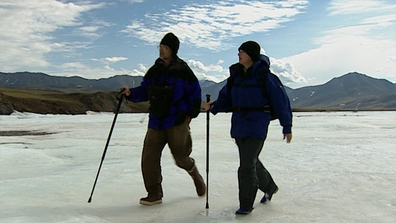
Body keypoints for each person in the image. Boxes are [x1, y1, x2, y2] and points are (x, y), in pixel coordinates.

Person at [204, 41, 292, 215]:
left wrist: (286, 126)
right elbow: (225, 98)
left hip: (257, 124)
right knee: (250, 161)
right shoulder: (236, 76)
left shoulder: (265, 77)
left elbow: (281, 102)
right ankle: (270, 187)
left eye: (242, 52)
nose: (239, 55)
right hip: (239, 124)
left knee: (246, 166)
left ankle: (246, 205)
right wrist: (214, 106)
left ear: (251, 54)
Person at [120, 32, 205, 206]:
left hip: (176, 121)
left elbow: (195, 95)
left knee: (181, 158)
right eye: (160, 47)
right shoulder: (155, 70)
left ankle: (195, 175)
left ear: (172, 50)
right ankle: (154, 193)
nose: (161, 50)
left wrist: (189, 116)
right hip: (156, 121)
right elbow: (145, 90)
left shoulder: (184, 71)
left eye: (164, 47)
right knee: (149, 157)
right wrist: (130, 93)